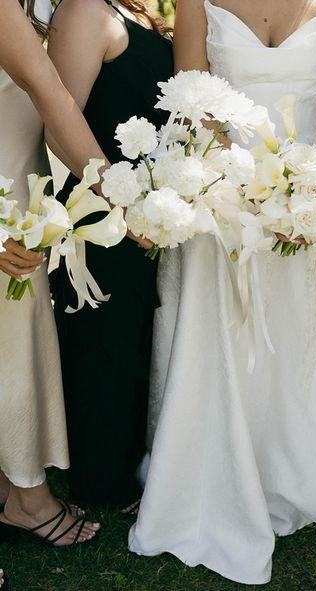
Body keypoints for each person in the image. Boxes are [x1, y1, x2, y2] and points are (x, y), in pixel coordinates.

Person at [129, 0, 316, 584]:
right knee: (217, 332)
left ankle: (302, 468)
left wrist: (311, 190)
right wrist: (239, 187)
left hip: (310, 205)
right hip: (220, 204)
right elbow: (191, 106)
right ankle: (205, 472)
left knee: (297, 338)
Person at [47, 0, 173, 511]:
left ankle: (130, 465)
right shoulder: (81, 10)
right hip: (102, 215)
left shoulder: (133, 11)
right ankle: (102, 482)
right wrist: (121, 204)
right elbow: (59, 124)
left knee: (136, 340)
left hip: (148, 212)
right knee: (105, 348)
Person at [0, 0, 108, 550]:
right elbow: (46, 85)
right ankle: (29, 500)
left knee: (10, 346)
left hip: (20, 185)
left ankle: (11, 489)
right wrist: (116, 192)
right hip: (1, 204)